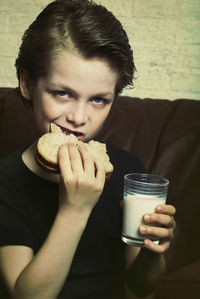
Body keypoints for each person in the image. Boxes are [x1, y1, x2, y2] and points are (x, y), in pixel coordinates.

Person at [0, 0, 176, 298]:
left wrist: (152, 251)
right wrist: (75, 209)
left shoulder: (127, 169)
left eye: (98, 100)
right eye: (62, 93)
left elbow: (142, 289)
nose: (79, 119)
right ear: (28, 83)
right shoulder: (6, 180)